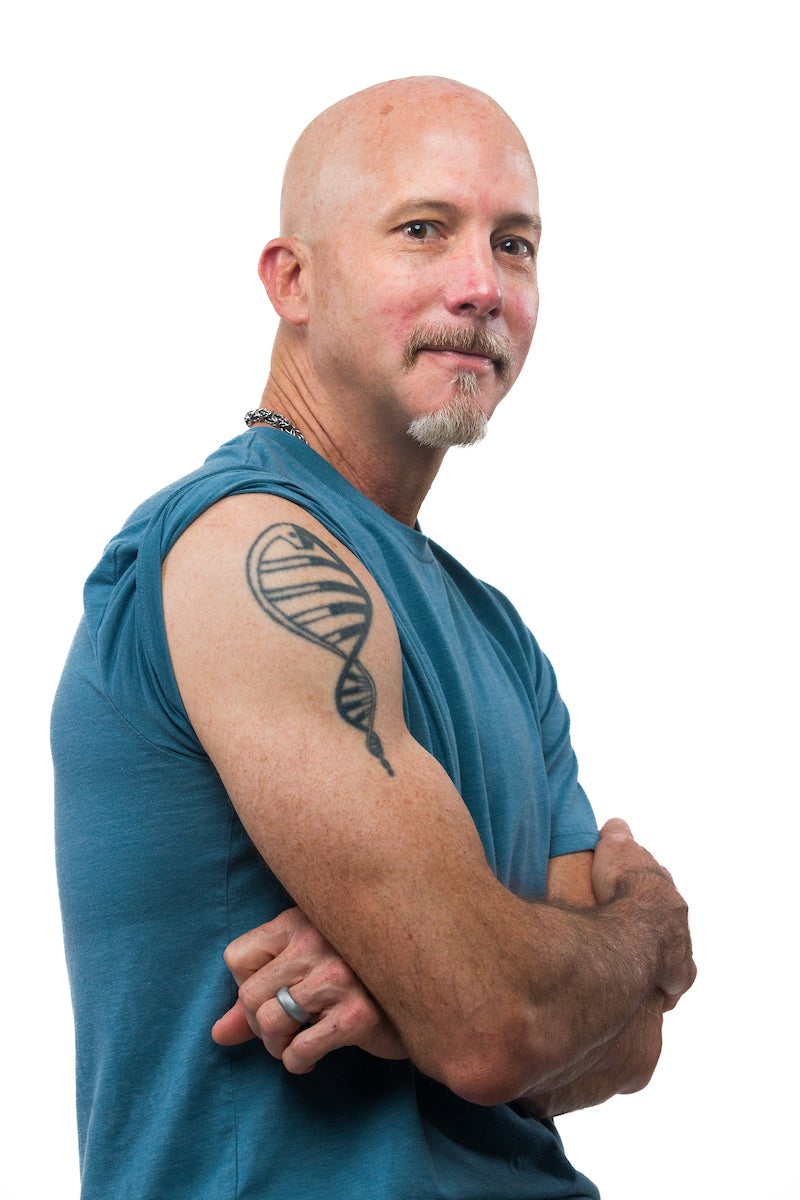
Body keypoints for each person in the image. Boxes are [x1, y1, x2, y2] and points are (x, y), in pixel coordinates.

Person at [52, 76, 695, 1200]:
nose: (480, 287)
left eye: (515, 244)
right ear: (293, 281)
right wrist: (642, 932)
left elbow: (619, 1053)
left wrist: (437, 993)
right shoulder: (245, 547)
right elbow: (498, 1028)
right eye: (421, 231)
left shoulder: (497, 634)